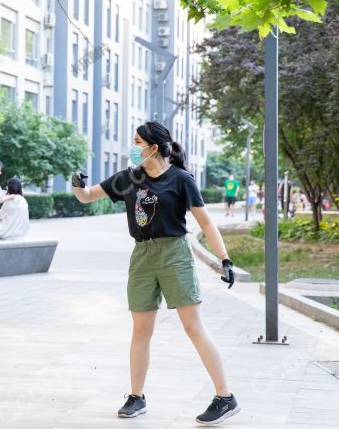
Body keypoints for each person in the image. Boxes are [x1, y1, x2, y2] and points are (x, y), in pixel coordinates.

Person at [71, 121, 240, 426]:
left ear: (154, 146)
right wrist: (76, 184)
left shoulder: (180, 179)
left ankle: (225, 397)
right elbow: (86, 196)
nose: (134, 149)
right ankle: (136, 397)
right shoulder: (129, 178)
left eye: (138, 143)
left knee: (193, 327)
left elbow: (206, 223)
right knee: (140, 330)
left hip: (174, 253)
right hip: (142, 255)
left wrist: (224, 259)